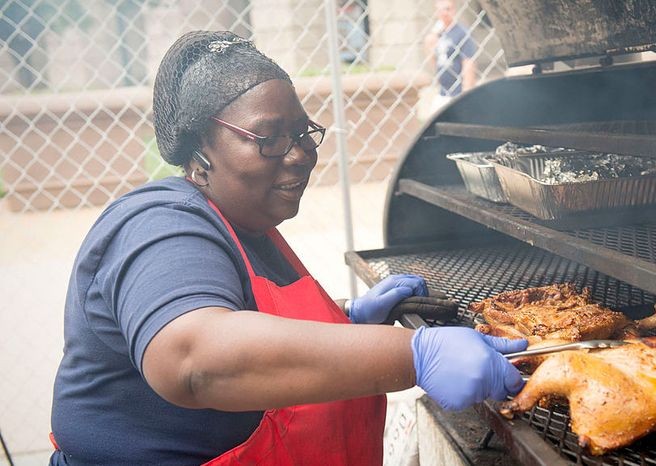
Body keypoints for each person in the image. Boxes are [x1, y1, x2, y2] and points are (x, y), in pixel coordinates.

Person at [49, 30, 527, 465]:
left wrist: (347, 318)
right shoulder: (156, 225)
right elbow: (192, 359)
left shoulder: (248, 224)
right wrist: (414, 354)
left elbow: (244, 312)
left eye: (302, 134)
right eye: (268, 139)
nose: (298, 154)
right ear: (199, 156)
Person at [425, 0, 478, 109]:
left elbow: (468, 63)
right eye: (440, 10)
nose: (444, 13)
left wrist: (466, 93)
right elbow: (435, 64)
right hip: (443, 92)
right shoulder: (439, 34)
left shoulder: (461, 33)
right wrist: (429, 46)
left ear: (454, 10)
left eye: (447, 9)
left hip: (458, 93)